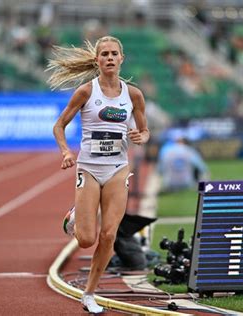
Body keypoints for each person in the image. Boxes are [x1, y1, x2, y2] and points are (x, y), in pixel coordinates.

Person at [49, 36, 149, 313]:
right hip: (89, 168)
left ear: (121, 58)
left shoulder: (134, 95)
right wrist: (66, 152)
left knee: (109, 235)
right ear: (97, 60)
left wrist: (140, 135)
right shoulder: (85, 91)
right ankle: (74, 216)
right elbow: (59, 126)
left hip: (118, 169)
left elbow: (145, 129)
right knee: (86, 240)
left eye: (113, 53)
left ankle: (89, 294)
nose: (109, 58)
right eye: (104, 53)